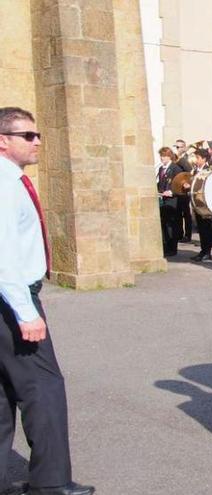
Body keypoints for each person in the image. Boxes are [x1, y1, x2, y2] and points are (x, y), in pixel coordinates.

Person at [0, 107, 95, 495]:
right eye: (28, 136)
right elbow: (4, 255)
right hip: (12, 299)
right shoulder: (6, 186)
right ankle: (51, 483)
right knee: (44, 388)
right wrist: (25, 312)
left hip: (9, 297)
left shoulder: (12, 181)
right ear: (3, 141)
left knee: (4, 393)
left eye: (37, 135)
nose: (37, 141)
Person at [189, 149, 212, 263]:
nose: (196, 160)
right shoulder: (196, 169)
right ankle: (203, 251)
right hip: (197, 202)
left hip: (205, 203)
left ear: (203, 159)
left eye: (197, 158)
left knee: (206, 228)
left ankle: (207, 252)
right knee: (201, 229)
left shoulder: (209, 169)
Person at [156, 146, 183, 257]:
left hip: (173, 201)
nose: (162, 158)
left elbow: (180, 185)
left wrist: (171, 192)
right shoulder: (161, 169)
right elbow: (161, 184)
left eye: (164, 156)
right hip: (163, 200)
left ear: (169, 156)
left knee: (172, 226)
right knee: (164, 225)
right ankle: (166, 247)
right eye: (161, 156)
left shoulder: (176, 168)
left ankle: (172, 248)